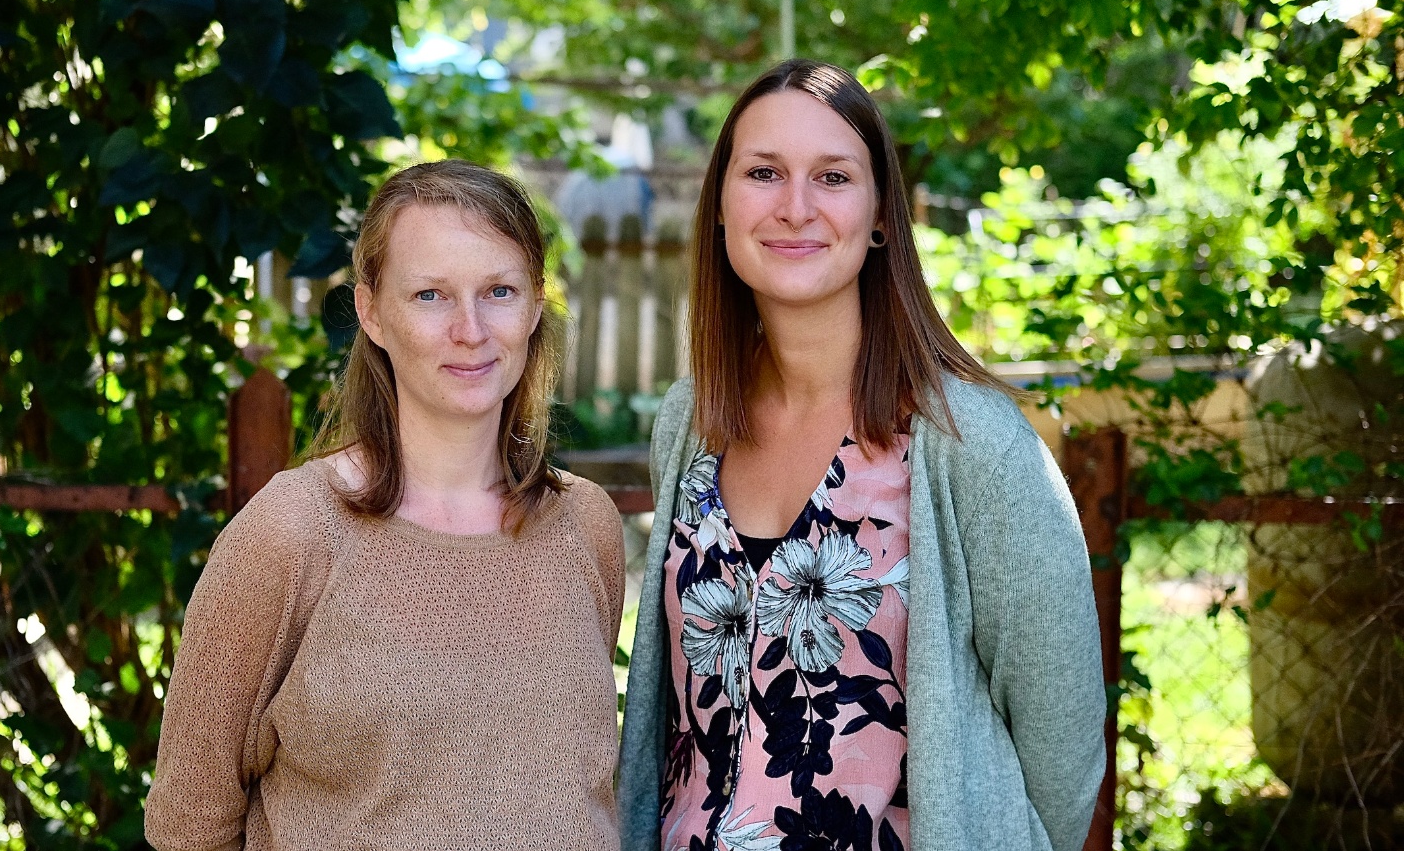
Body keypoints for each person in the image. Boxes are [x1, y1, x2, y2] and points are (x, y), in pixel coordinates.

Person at [617, 60, 1106, 851]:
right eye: (764, 172)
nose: (795, 206)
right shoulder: (692, 419)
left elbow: (1064, 748)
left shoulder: (967, 442)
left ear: (882, 214)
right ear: (720, 208)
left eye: (833, 176)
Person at [146, 160, 625, 851]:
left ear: (535, 303)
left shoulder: (586, 525)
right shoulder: (291, 534)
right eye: (430, 295)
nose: (470, 328)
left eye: (498, 290)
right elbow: (187, 825)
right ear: (372, 312)